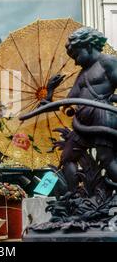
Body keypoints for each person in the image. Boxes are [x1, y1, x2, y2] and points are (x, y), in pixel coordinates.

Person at [46, 27, 117, 192]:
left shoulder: (108, 62)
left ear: (89, 46)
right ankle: (75, 198)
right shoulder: (82, 74)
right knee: (67, 157)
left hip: (102, 117)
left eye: (77, 55)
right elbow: (66, 103)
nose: (76, 62)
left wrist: (108, 99)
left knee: (106, 158)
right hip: (82, 122)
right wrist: (50, 91)